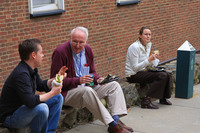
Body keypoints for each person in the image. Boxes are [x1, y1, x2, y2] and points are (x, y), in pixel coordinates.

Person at [50, 27, 133, 133]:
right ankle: (112, 125)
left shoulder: (88, 50)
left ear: (86, 41)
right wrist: (78, 81)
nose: (78, 45)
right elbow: (55, 81)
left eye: (81, 42)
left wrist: (98, 79)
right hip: (66, 93)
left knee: (114, 85)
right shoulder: (60, 52)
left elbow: (92, 72)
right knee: (87, 91)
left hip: (86, 88)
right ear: (70, 39)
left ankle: (116, 120)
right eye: (74, 41)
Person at [0, 39, 68, 133]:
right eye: (41, 52)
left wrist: (57, 79)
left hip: (25, 110)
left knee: (58, 98)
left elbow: (41, 85)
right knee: (42, 108)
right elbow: (31, 102)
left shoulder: (31, 69)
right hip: (11, 117)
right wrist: (52, 93)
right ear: (33, 55)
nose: (43, 55)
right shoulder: (21, 74)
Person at [125, 26, 172, 109]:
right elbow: (135, 68)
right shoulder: (134, 47)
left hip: (143, 71)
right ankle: (146, 100)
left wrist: (154, 58)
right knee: (162, 75)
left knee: (167, 74)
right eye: (146, 34)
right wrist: (149, 59)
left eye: (149, 34)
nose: (148, 36)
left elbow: (152, 64)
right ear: (140, 35)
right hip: (133, 75)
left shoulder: (147, 45)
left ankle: (163, 98)